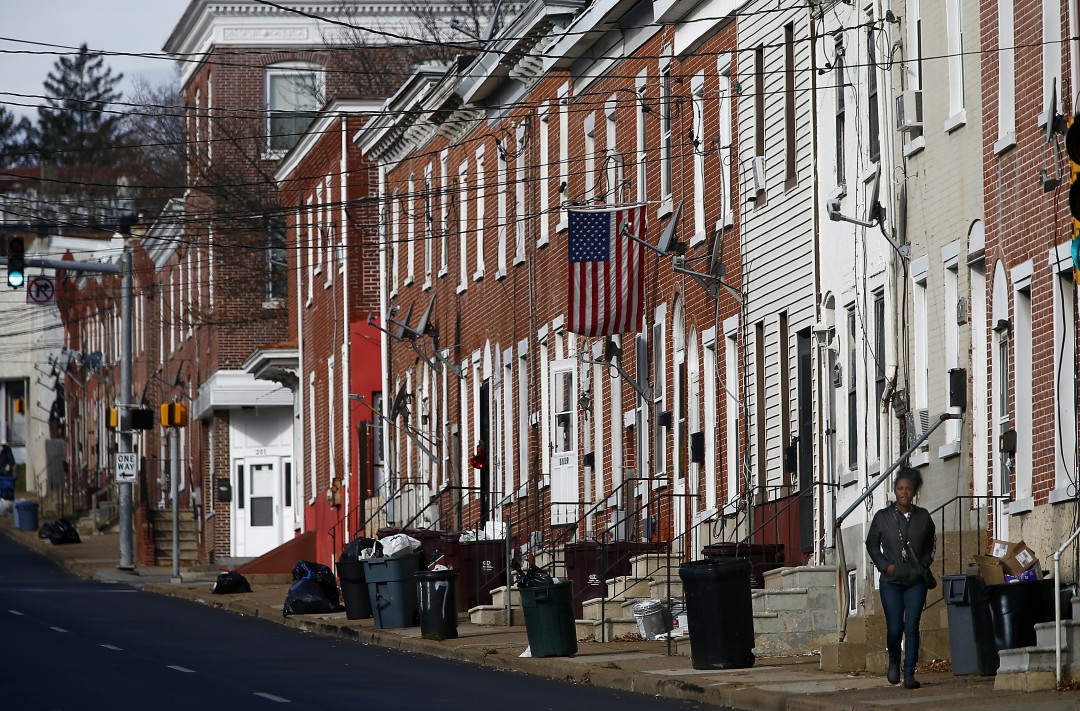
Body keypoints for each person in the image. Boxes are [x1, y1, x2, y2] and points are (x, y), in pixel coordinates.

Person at [865, 468, 936, 689]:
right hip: (891, 583)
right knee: (895, 628)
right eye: (900, 488)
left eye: (908, 489)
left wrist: (923, 565)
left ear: (914, 492)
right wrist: (885, 567)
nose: (904, 492)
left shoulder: (923, 517)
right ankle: (894, 661)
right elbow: (871, 544)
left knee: (912, 627)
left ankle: (909, 675)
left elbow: (930, 545)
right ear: (895, 491)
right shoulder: (882, 517)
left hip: (916, 582)